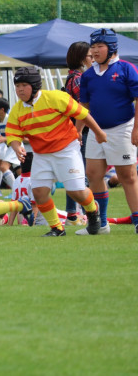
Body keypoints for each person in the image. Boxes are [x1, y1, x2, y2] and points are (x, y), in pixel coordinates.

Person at [7, 66, 107, 237]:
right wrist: (17, 148)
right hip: (41, 155)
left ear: (35, 86)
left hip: (66, 150)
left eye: (24, 85)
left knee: (76, 192)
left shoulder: (55, 97)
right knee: (39, 192)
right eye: (17, 86)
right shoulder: (17, 110)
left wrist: (99, 132)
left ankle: (92, 209)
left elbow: (82, 114)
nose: (20, 89)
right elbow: (12, 134)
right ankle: (57, 228)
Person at [79, 28, 138, 235]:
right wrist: (77, 131)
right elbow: (83, 107)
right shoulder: (88, 75)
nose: (94, 51)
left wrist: (136, 129)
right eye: (93, 47)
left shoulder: (126, 68)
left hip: (123, 128)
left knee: (127, 176)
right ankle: (101, 224)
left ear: (111, 47)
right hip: (96, 131)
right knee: (93, 174)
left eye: (100, 46)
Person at [63, 41, 93, 224]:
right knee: (81, 174)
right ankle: (83, 214)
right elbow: (83, 107)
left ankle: (72, 214)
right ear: (82, 59)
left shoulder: (71, 77)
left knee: (74, 173)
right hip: (82, 131)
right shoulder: (79, 79)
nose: (93, 58)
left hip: (74, 130)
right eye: (90, 56)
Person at [0, 97, 18, 196]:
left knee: (3, 167)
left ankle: (16, 191)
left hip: (15, 146)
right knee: (1, 167)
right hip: (8, 148)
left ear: (2, 110)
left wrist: (4, 139)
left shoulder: (10, 119)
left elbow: (16, 134)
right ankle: (1, 190)